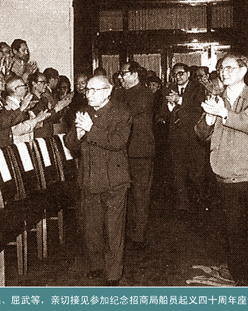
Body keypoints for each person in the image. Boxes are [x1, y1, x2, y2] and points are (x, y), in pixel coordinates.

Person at [195, 53, 248, 286]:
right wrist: (209, 119)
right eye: (222, 69)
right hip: (226, 177)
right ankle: (243, 278)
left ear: (244, 70)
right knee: (234, 232)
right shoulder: (216, 98)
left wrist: (223, 113)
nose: (224, 73)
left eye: (230, 68)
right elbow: (201, 133)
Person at [65, 75, 132, 286]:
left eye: (95, 90)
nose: (89, 94)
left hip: (114, 180)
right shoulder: (83, 111)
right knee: (91, 227)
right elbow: (70, 143)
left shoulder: (121, 112)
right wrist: (78, 133)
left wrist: (91, 130)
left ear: (108, 91)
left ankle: (113, 274)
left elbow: (118, 142)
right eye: (88, 90)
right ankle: (96, 265)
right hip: (89, 179)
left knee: (113, 229)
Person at [114, 61, 155, 250]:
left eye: (123, 73)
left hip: (140, 153)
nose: (120, 77)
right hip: (123, 152)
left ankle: (138, 237)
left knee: (140, 196)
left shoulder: (144, 94)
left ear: (134, 74)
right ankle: (129, 234)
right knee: (126, 196)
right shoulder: (121, 93)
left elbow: (123, 114)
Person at [160, 63, 207, 215]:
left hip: (194, 139)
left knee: (196, 175)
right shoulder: (168, 89)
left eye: (181, 73)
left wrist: (180, 100)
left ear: (188, 74)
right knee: (178, 174)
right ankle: (183, 207)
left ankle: (200, 206)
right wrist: (169, 105)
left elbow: (199, 108)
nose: (178, 77)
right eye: (175, 74)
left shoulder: (198, 88)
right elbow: (162, 113)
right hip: (176, 139)